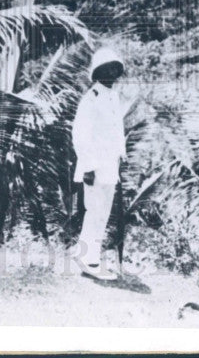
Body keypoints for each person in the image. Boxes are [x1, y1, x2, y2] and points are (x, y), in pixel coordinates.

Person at [71, 46, 136, 281]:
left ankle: (87, 256)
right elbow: (80, 135)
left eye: (115, 68)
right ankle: (89, 260)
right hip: (95, 167)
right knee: (94, 212)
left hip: (110, 166)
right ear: (97, 72)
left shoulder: (113, 97)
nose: (112, 73)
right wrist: (87, 167)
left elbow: (116, 131)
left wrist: (122, 154)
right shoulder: (91, 99)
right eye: (107, 69)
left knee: (102, 214)